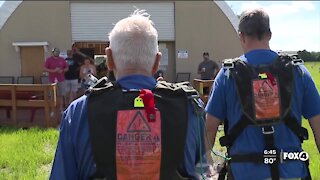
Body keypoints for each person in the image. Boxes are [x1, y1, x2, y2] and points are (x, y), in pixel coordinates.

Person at [50, 10, 211, 179]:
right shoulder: (190, 108)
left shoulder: (78, 113)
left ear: (109, 59)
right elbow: (203, 171)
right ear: (157, 62)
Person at [205, 8, 320, 180]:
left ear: (241, 36)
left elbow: (209, 127)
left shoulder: (227, 74)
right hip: (292, 174)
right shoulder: (298, 70)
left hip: (244, 174)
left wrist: (208, 167)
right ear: (270, 35)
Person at [44, 47, 68, 112]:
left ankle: (61, 109)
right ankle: (52, 110)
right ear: (52, 52)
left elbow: (66, 68)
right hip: (51, 80)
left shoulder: (62, 59)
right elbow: (45, 68)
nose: (56, 53)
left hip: (61, 79)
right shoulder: (49, 60)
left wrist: (62, 70)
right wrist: (53, 70)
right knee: (52, 95)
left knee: (61, 94)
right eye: (55, 52)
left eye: (58, 52)